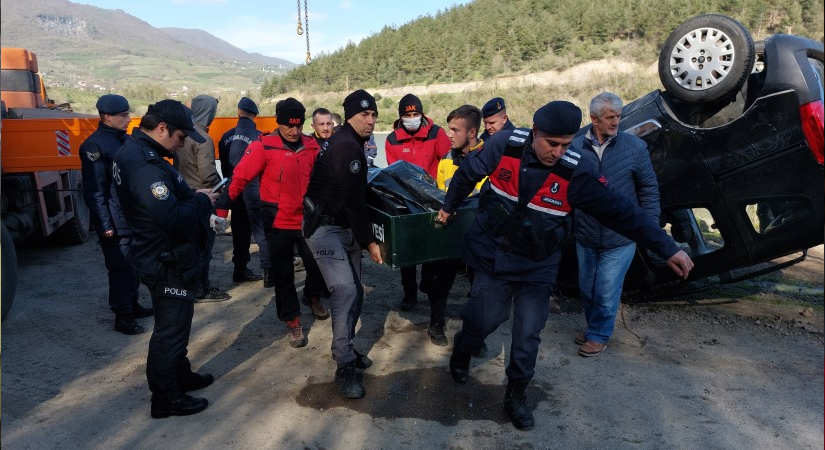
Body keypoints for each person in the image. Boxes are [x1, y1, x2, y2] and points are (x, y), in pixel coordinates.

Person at [437, 100, 694, 430]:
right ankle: (463, 349)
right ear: (535, 133)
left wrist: (667, 247)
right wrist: (448, 207)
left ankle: (516, 395)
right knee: (484, 318)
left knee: (528, 333)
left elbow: (621, 211)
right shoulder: (503, 145)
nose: (558, 152)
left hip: (538, 265)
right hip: (494, 256)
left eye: (566, 144)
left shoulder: (579, 171)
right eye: (552, 144)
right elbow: (465, 175)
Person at [112, 99, 219, 419]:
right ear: (161, 129)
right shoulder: (145, 164)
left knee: (176, 325)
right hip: (164, 259)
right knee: (169, 332)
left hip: (161, 254)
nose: (183, 142)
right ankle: (166, 398)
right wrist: (203, 203)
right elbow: (169, 215)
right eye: (180, 136)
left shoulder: (140, 152)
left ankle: (180, 375)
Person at [212, 98, 330, 348]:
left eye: (298, 126)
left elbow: (326, 177)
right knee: (283, 274)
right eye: (289, 126)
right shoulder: (263, 146)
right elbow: (239, 177)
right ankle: (293, 321)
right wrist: (221, 210)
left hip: (308, 220)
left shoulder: (311, 145)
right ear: (279, 123)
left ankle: (311, 296)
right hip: (277, 221)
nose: (295, 132)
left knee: (318, 264)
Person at [303, 89, 383, 400]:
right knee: (346, 289)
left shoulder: (349, 142)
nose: (371, 120)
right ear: (348, 116)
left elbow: (356, 195)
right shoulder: (347, 147)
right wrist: (370, 241)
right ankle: (344, 363)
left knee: (356, 290)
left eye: (374, 115)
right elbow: (353, 200)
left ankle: (347, 346)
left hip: (343, 225)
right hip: (325, 228)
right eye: (364, 115)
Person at [572, 92, 661, 357]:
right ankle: (593, 327)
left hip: (620, 237)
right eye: (610, 117)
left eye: (619, 117)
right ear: (594, 119)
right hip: (585, 233)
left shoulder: (635, 148)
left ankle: (599, 335)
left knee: (606, 290)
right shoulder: (575, 148)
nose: (616, 122)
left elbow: (649, 190)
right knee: (587, 288)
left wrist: (650, 230)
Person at [80, 94, 153, 335]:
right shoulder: (94, 145)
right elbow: (95, 190)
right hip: (114, 219)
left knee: (133, 266)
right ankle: (122, 316)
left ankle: (132, 304)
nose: (128, 118)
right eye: (123, 115)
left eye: (127, 114)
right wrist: (104, 225)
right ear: (107, 117)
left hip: (131, 216)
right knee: (120, 268)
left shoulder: (126, 140)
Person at [416, 104, 487, 347]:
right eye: (449, 129)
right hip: (451, 231)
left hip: (479, 234)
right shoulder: (447, 160)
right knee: (442, 280)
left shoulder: (489, 159)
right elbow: (440, 194)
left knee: (479, 288)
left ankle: (475, 334)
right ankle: (436, 324)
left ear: (471, 132)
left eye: (455, 130)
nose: (449, 134)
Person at [384, 93, 451, 312]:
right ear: (401, 117)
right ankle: (409, 291)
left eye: (415, 114)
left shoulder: (437, 133)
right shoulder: (392, 140)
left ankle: (427, 281)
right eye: (407, 115)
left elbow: (447, 162)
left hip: (434, 198)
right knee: (408, 250)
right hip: (407, 199)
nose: (411, 118)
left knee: (432, 245)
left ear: (422, 114)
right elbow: (394, 172)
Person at [176, 94, 231, 302]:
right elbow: (208, 173)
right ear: (209, 113)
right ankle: (201, 289)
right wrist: (221, 188)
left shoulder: (182, 134)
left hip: (183, 197)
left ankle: (189, 286)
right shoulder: (203, 139)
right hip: (202, 199)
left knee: (189, 245)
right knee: (204, 246)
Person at [217, 97, 268, 286]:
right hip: (254, 189)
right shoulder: (260, 137)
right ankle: (269, 270)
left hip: (234, 189)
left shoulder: (225, 136)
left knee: (240, 232)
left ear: (238, 113)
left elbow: (224, 167)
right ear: (254, 115)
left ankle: (240, 269)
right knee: (261, 230)